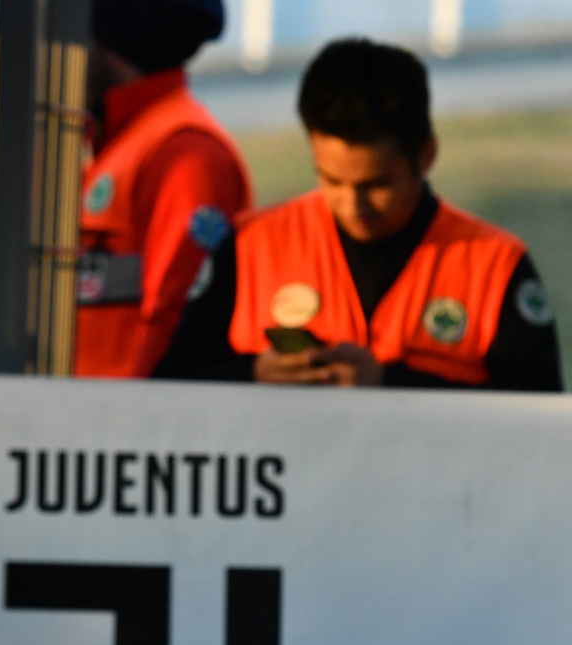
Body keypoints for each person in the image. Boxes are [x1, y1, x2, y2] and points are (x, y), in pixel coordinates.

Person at [156, 37, 562, 391]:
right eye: (331, 180)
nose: (354, 205)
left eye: (378, 185)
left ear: (427, 155)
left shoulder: (495, 266)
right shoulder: (248, 247)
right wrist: (254, 374)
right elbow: (170, 385)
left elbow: (537, 423)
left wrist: (390, 384)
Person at [74, 0, 253, 378]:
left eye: (76, 31)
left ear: (112, 44)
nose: (60, 49)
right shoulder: (114, 144)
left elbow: (175, 321)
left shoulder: (184, 152)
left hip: (115, 427)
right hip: (72, 421)